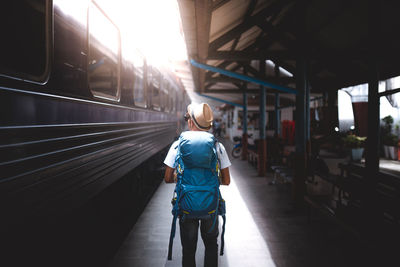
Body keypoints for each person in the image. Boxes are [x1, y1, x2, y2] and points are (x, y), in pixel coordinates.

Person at [164, 103, 231, 267]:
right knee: (210, 246)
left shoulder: (177, 145)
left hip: (186, 205)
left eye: (187, 118)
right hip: (210, 206)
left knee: (188, 249)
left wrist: (181, 177)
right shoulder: (217, 146)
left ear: (191, 122)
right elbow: (227, 180)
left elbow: (167, 178)